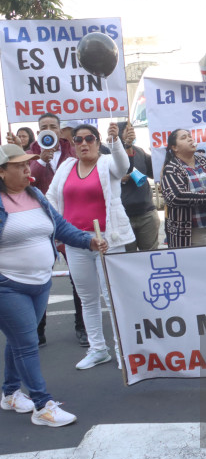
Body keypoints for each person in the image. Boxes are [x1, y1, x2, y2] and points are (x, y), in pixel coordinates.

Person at [0, 144, 108, 426]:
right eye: (19, 166)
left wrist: (88, 240)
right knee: (26, 343)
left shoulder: (35, 195)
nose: (27, 170)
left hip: (40, 281)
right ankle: (42, 405)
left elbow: (60, 227)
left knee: (18, 340)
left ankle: (10, 393)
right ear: (1, 173)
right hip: (7, 286)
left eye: (28, 164)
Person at [46, 123, 134, 370]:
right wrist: (57, 227)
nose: (83, 144)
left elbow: (123, 166)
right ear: (73, 144)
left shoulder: (108, 162)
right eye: (78, 140)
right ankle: (98, 349)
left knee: (113, 297)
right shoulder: (66, 166)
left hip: (108, 240)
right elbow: (51, 198)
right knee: (87, 299)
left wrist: (115, 141)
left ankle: (123, 350)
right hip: (76, 241)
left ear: (98, 141)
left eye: (89, 139)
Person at [15, 113, 86, 347]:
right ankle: (38, 330)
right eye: (44, 127)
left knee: (79, 276)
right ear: (38, 131)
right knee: (38, 277)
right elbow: (24, 182)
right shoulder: (29, 154)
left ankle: (82, 327)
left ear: (60, 129)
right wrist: (41, 161)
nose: (49, 130)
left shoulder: (73, 150)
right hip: (38, 224)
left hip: (70, 222)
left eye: (53, 126)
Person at [161, 129, 206, 248]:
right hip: (191, 230)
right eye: (184, 138)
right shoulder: (171, 168)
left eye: (190, 136)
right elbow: (177, 197)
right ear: (175, 148)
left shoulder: (204, 161)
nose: (190, 139)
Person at [118, 122, 159, 252]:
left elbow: (154, 173)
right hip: (123, 217)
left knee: (150, 256)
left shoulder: (139, 151)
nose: (131, 131)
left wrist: (158, 154)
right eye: (127, 129)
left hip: (146, 214)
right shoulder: (108, 153)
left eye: (132, 128)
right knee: (128, 258)